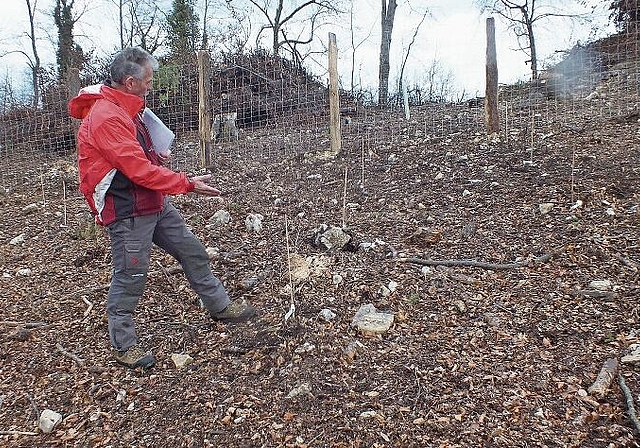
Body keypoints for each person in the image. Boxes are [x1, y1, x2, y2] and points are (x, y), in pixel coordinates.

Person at [68, 47, 254, 369]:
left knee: (193, 251)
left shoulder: (129, 108)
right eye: (149, 79)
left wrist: (158, 158)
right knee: (130, 275)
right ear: (130, 82)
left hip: (153, 202)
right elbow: (136, 169)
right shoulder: (106, 117)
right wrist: (187, 183)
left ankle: (220, 306)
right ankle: (123, 345)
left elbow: (137, 160)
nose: (152, 84)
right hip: (128, 211)